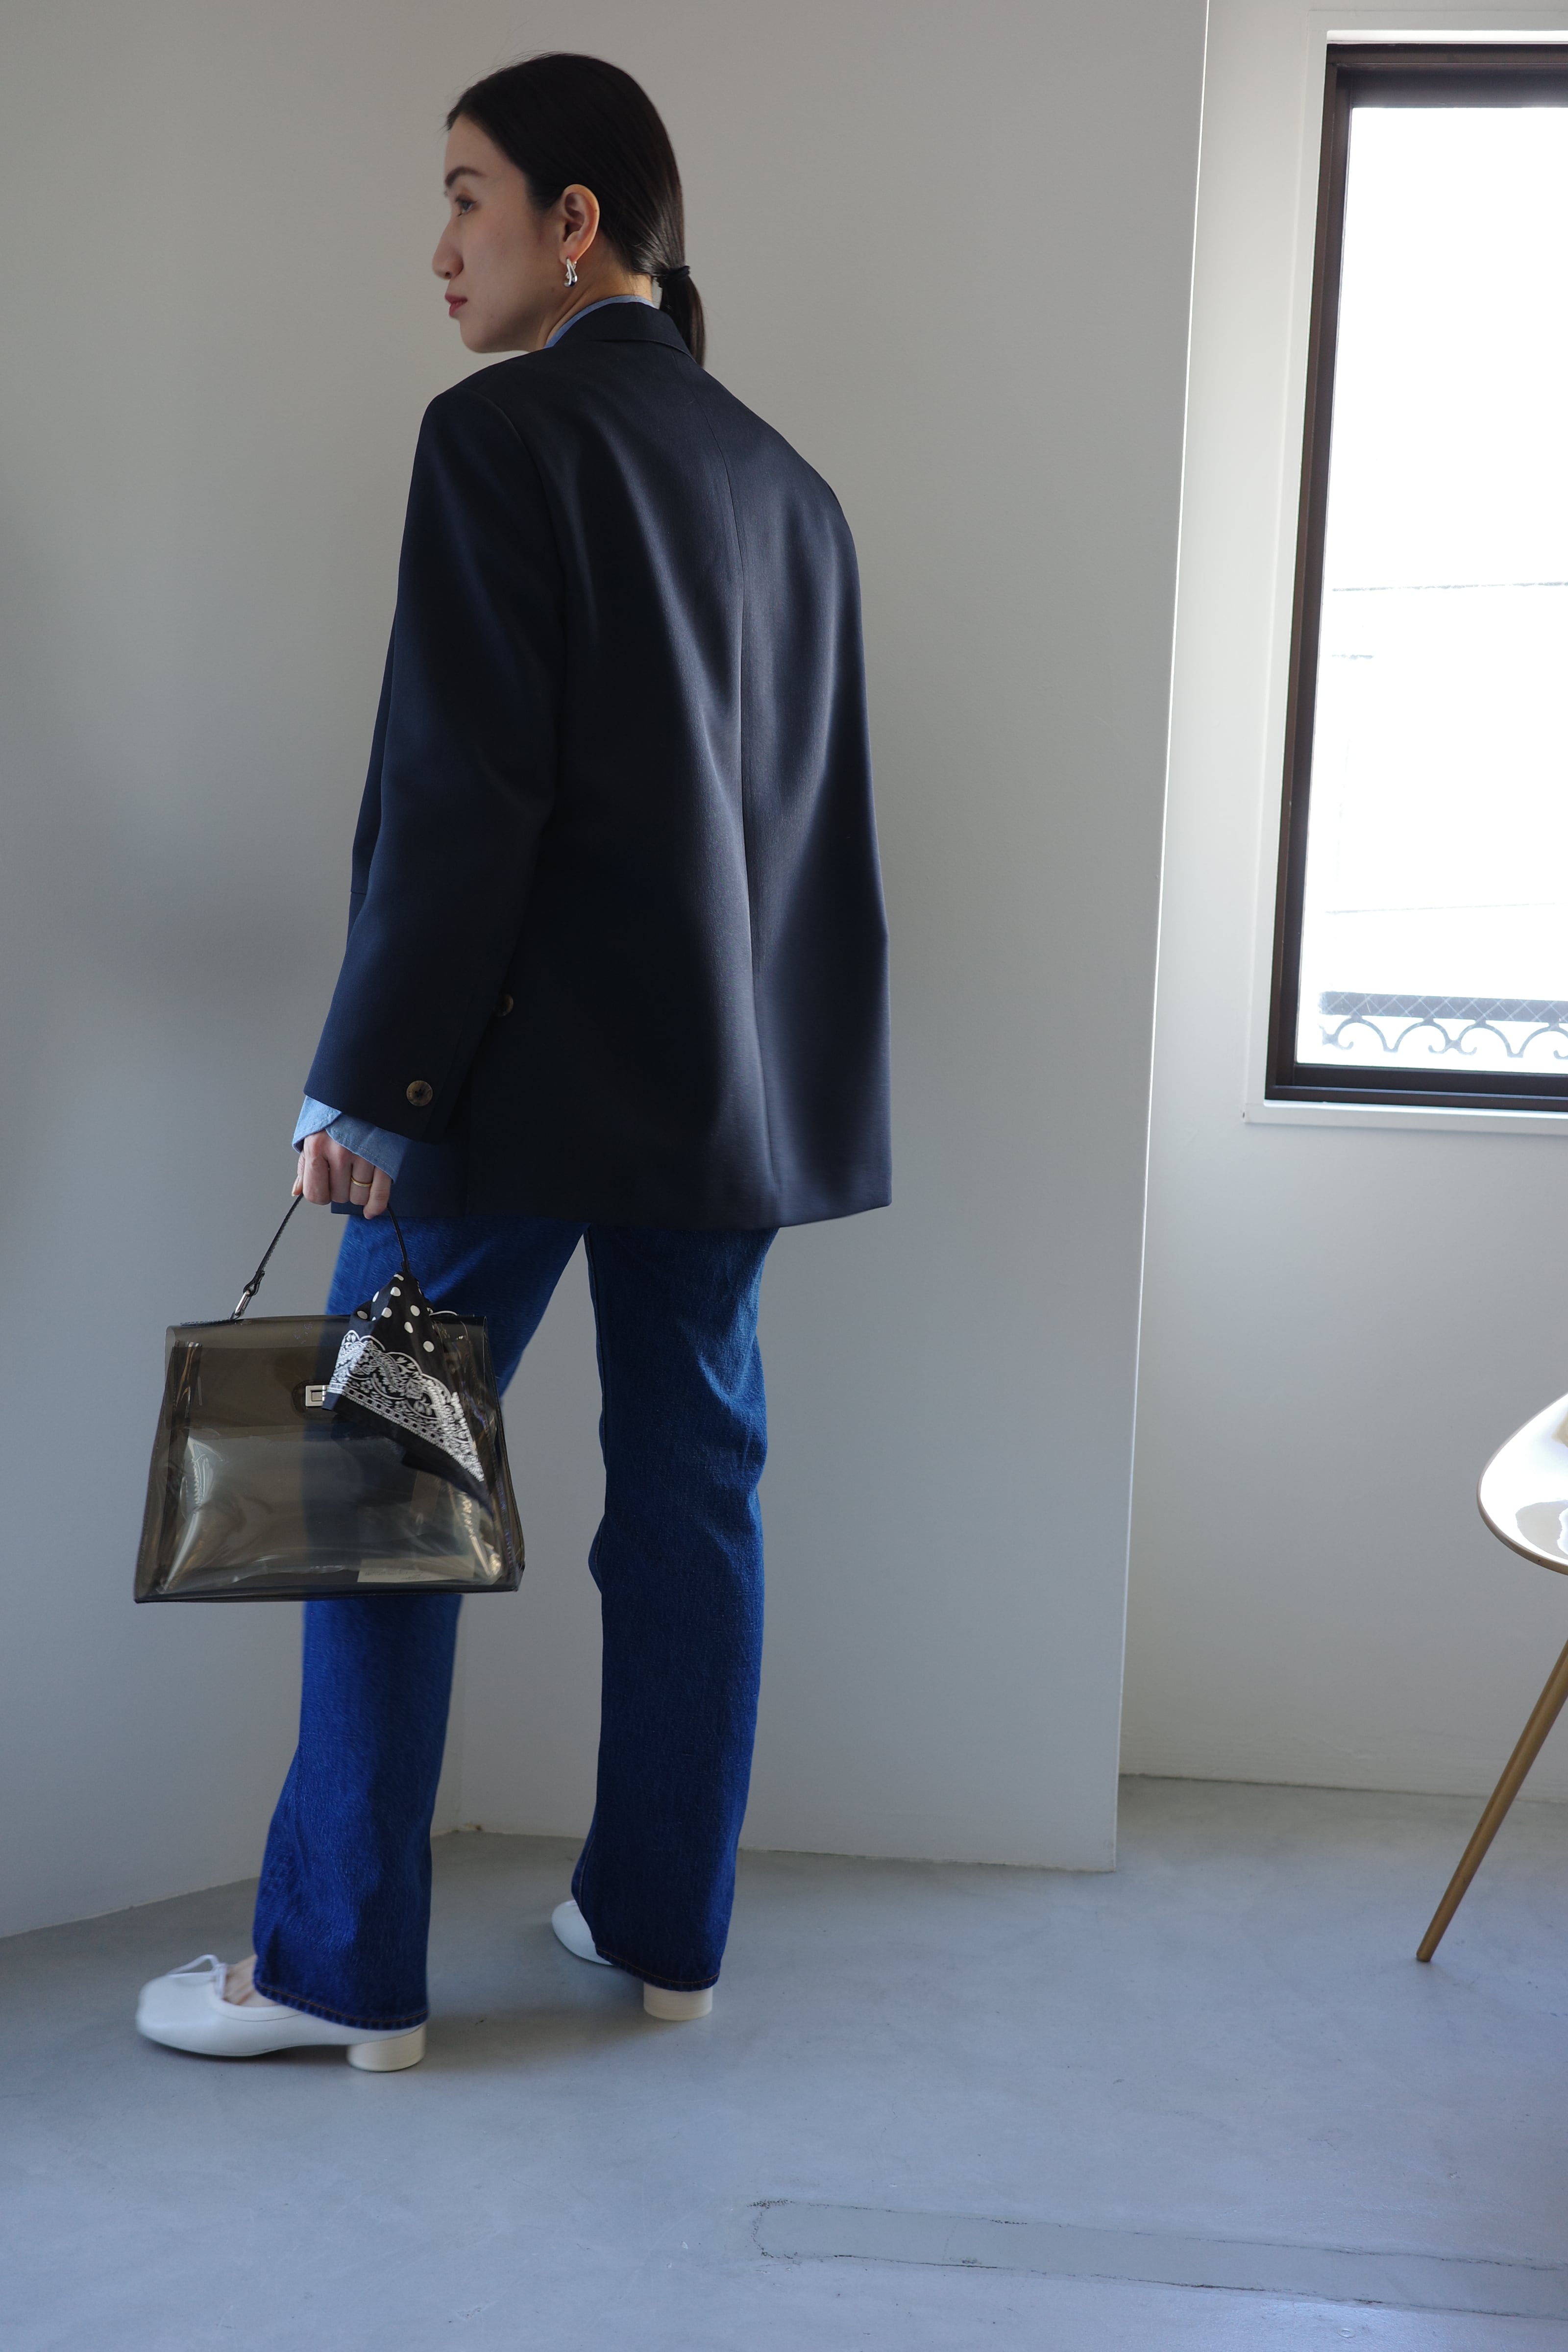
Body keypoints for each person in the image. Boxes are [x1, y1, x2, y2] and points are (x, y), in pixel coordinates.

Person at [135, 52, 888, 2071]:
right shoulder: (787, 488)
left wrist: (372, 1086)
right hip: (723, 1108)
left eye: (467, 193)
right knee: (695, 1500)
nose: (440, 243)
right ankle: (665, 1933)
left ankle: (337, 1971)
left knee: (377, 1490)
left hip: (511, 1084)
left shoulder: (498, 435)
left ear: (576, 222)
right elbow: (801, 844)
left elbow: (465, 794)